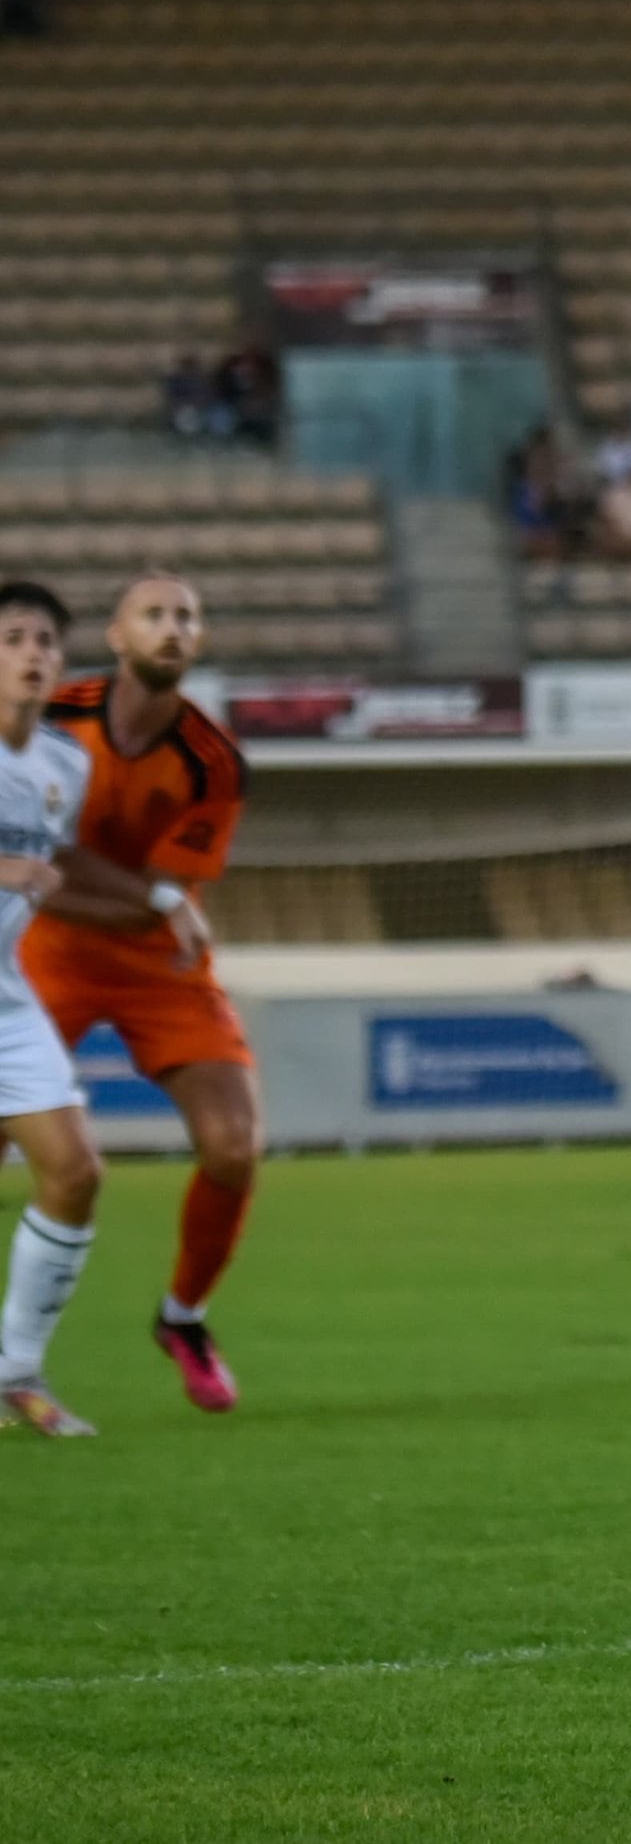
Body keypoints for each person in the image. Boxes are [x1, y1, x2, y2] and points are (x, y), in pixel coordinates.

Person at [23, 574, 252, 1412]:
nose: (172, 628)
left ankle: (183, 1318)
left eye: (187, 616)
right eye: (153, 615)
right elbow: (88, 881)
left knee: (233, 1146)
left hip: (158, 964)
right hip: (44, 954)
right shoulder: (53, 714)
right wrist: (147, 899)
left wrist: (130, 897)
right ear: (117, 637)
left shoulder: (214, 760)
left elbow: (151, 888)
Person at [0, 581, 108, 1437]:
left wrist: (166, 894)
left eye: (45, 640)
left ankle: (15, 1374)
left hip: (5, 993)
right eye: (13, 639)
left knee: (74, 1171)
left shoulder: (66, 764)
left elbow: (57, 866)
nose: (33, 653)